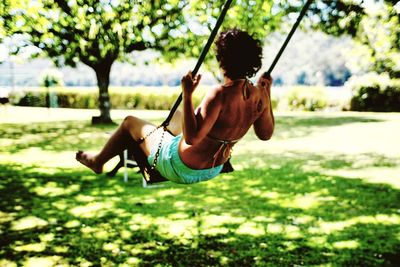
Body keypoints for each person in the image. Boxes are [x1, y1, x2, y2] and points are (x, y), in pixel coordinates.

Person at [76, 29, 274, 184]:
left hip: (182, 166)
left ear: (222, 61)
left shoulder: (219, 94)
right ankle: (158, 137)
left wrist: (187, 95)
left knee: (130, 123)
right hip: (213, 167)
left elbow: (192, 138)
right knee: (178, 116)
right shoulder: (260, 95)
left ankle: (98, 162)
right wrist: (268, 92)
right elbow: (265, 135)